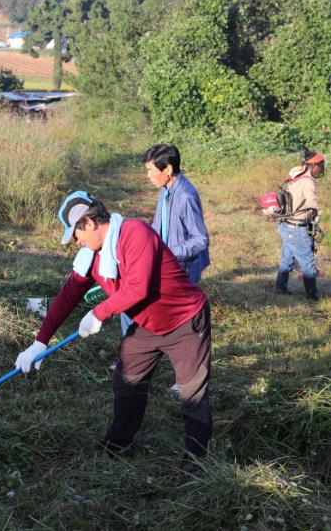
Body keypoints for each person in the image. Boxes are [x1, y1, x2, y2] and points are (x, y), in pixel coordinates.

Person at [14, 191, 212, 460]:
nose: (76, 242)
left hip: (185, 322)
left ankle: (197, 461)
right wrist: (40, 341)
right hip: (146, 325)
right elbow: (69, 294)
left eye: (76, 234)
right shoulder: (92, 255)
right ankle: (118, 446)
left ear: (91, 223)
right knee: (127, 382)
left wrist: (99, 313)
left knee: (192, 394)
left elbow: (137, 288)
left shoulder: (135, 233)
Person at [143, 144, 210, 284]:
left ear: (168, 169)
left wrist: (170, 254)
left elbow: (200, 239)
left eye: (151, 170)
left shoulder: (185, 197)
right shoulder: (164, 189)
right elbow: (158, 224)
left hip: (183, 267)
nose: (148, 176)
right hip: (167, 262)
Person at [275, 151, 326, 300]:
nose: (321, 170)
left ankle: (280, 289)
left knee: (287, 259)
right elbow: (312, 202)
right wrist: (318, 215)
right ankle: (313, 296)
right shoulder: (308, 182)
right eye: (320, 166)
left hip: (285, 225)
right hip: (296, 228)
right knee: (308, 262)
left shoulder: (296, 175)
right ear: (313, 165)